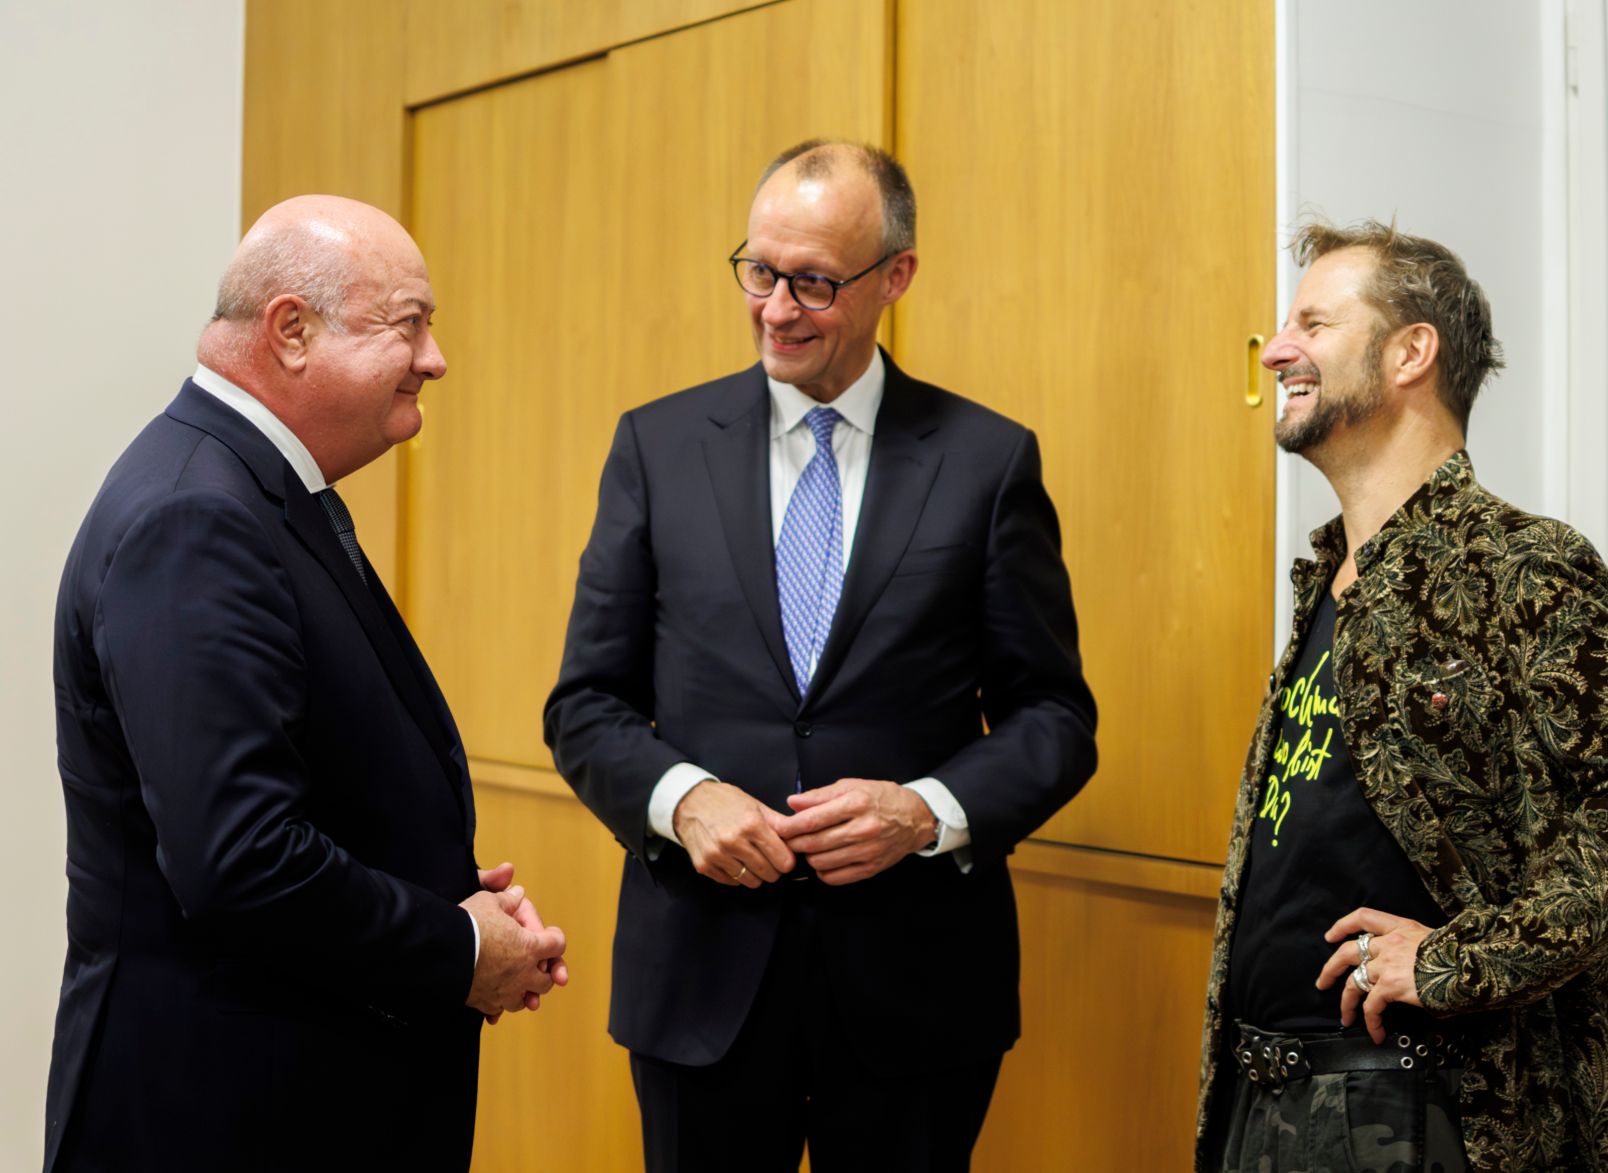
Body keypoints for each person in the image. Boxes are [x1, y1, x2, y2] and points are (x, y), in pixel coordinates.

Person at [544, 139, 1098, 1172]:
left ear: (895, 277)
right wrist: (681, 800)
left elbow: (1053, 720)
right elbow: (584, 704)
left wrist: (928, 810)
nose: (775, 309)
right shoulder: (655, 449)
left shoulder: (986, 462)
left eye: (812, 282)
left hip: (915, 993)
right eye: (758, 271)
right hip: (700, 986)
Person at [45, 195, 569, 1173]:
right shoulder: (194, 519)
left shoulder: (256, 490)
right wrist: (456, 950)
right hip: (224, 1113)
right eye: (407, 323)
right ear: (291, 330)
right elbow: (240, 862)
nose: (434, 357)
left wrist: (443, 892)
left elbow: (306, 782)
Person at [1195, 220, 1608, 1172]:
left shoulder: (1520, 563)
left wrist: (1457, 959)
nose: (1278, 348)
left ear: (1411, 351)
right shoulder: (1330, 577)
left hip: (1418, 1104)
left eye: (1313, 323)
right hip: (1263, 1097)